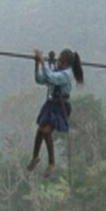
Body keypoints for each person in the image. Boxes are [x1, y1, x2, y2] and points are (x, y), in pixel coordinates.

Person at [28, 48, 83, 177]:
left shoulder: (66, 75)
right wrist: (37, 64)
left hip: (60, 106)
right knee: (40, 130)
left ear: (66, 62)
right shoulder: (57, 71)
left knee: (46, 131)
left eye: (61, 59)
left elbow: (51, 78)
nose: (58, 61)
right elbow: (40, 79)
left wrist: (43, 62)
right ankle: (35, 157)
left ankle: (51, 163)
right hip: (51, 104)